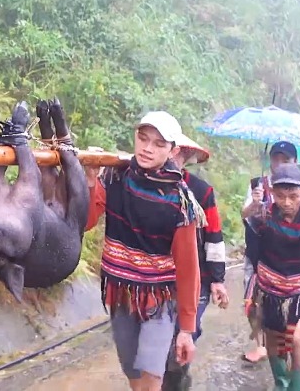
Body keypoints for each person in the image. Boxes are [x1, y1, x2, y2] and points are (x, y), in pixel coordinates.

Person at [84, 111, 202, 391]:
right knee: (134, 377)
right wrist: (90, 180)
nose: (147, 148)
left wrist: (186, 329)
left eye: (159, 144)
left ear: (172, 151)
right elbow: (86, 221)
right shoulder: (114, 177)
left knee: (152, 378)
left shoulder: (180, 200)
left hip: (159, 300)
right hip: (120, 293)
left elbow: (188, 269)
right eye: (143, 139)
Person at [244, 163, 300, 391]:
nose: (286, 203)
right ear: (272, 193)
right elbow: (254, 256)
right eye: (280, 196)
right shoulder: (260, 220)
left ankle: (297, 387)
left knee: (297, 339)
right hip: (269, 290)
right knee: (273, 339)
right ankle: (281, 383)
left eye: (293, 196)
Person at [162, 134, 229, 391]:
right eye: (171, 151)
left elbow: (214, 235)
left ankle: (177, 380)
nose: (173, 159)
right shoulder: (146, 185)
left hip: (195, 277)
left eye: (179, 154)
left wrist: (218, 279)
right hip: (157, 276)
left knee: (185, 333)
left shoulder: (201, 191)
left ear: (186, 157)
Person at [240, 140, 298, 363]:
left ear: (295, 162)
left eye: (286, 159)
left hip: (288, 256)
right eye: (276, 158)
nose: (280, 163)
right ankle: (260, 344)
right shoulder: (258, 184)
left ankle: (284, 341)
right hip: (257, 253)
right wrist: (255, 203)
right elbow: (244, 215)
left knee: (285, 302)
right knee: (252, 299)